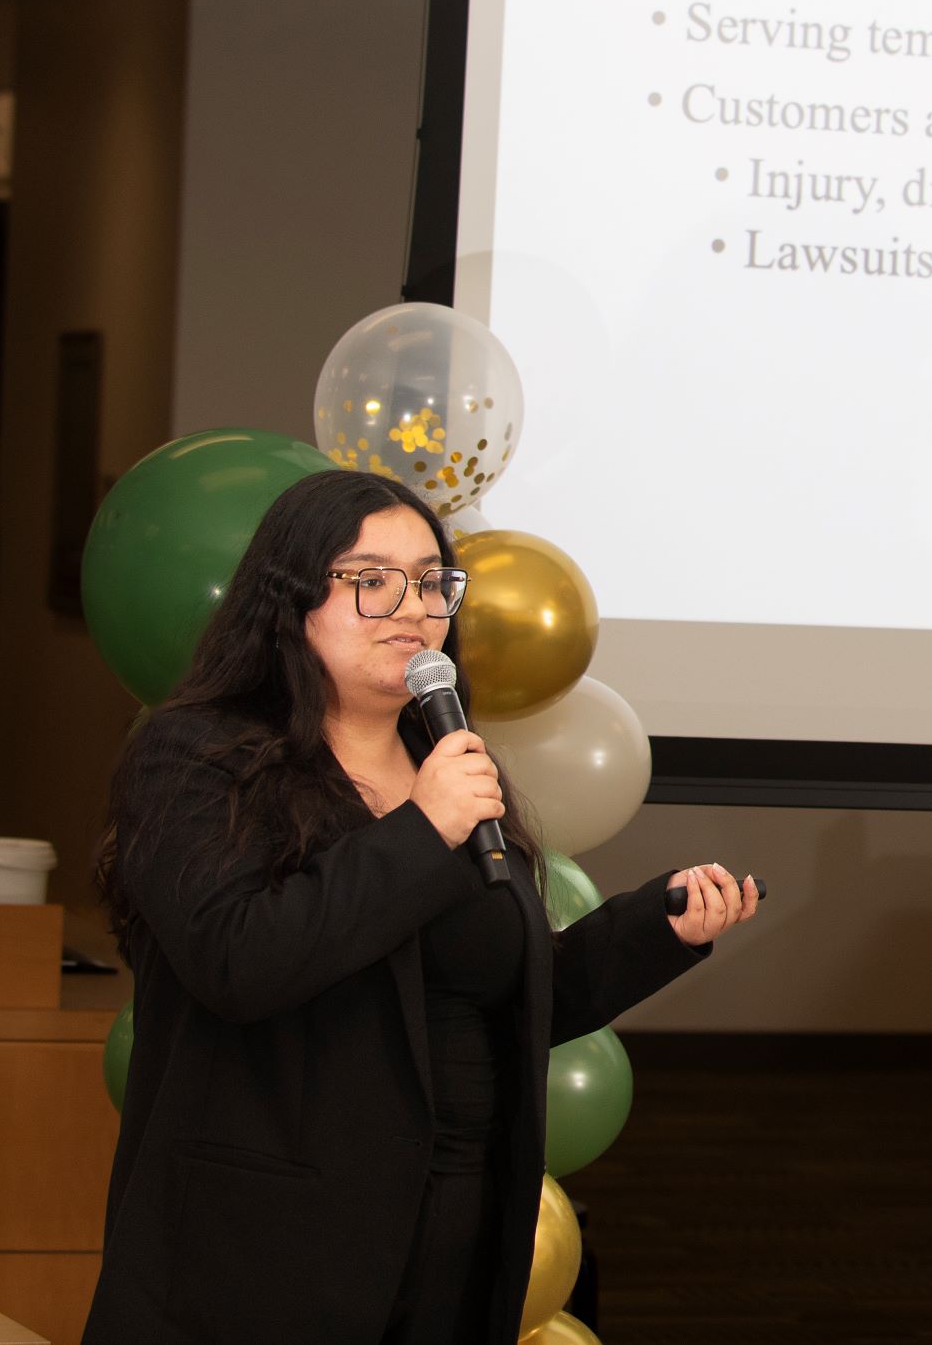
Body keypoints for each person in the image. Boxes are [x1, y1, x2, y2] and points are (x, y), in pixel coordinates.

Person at [86, 469, 758, 1343]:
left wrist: (652, 930)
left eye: (433, 580)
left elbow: (491, 994)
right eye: (372, 580)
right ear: (289, 599)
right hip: (268, 1247)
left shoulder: (442, 759)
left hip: (456, 1230)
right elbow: (239, 959)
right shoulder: (198, 757)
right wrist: (421, 825)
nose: (413, 605)